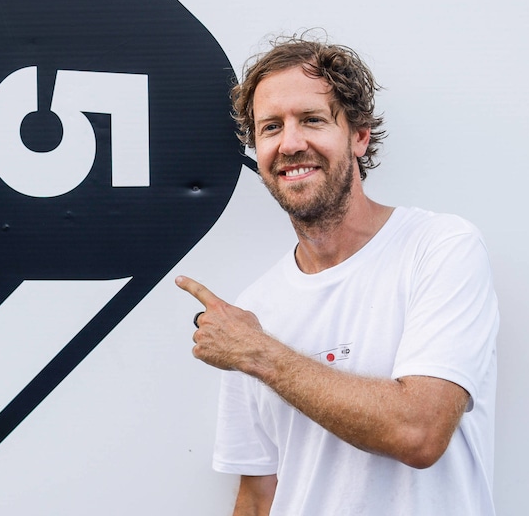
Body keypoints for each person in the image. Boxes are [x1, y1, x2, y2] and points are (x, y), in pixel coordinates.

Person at [176, 35, 499, 515]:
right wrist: (250, 346)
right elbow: (259, 496)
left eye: (312, 119)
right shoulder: (251, 311)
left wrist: (257, 353)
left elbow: (419, 433)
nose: (290, 143)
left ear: (359, 135)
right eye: (271, 127)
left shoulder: (439, 248)